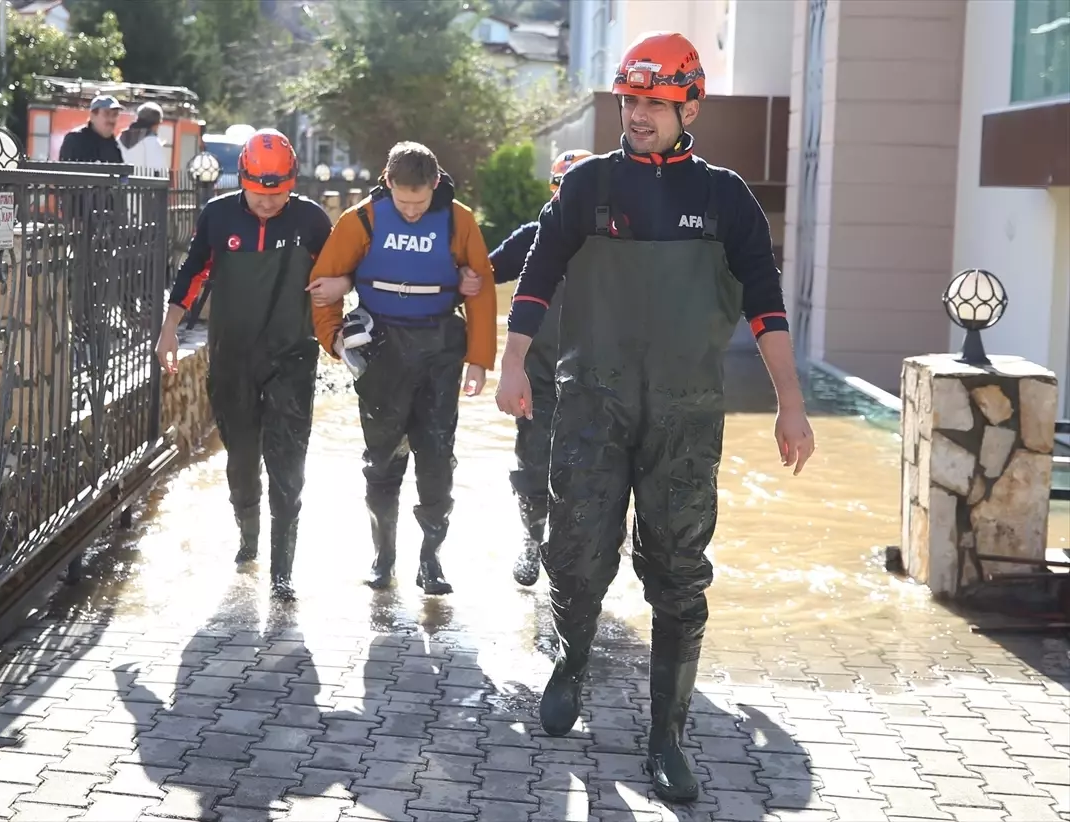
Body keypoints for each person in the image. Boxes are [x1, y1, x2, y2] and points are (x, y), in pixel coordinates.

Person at [494, 32, 816, 804]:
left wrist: (791, 403)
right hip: (591, 406)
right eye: (629, 101)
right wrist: (511, 361)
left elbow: (766, 305)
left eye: (654, 104)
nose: (637, 115)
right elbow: (537, 274)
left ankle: (666, 735)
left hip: (685, 414)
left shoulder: (725, 198)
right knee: (575, 554)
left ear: (688, 108)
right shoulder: (587, 187)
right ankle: (571, 658)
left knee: (678, 575)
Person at [307, 141, 496, 596]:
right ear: (387, 183)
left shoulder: (459, 220)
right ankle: (383, 556)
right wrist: (333, 340)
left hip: (440, 348)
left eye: (420, 201)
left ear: (435, 185)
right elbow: (322, 287)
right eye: (403, 201)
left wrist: (479, 360)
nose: (411, 212)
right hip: (382, 350)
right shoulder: (361, 220)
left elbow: (483, 288)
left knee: (436, 459)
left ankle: (431, 559)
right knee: (382, 461)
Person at [155, 129, 332, 601]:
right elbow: (192, 272)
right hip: (232, 357)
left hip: (291, 355)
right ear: (243, 181)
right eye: (260, 194)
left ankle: (282, 569)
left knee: (288, 462)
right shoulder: (218, 215)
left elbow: (341, 271)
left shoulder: (312, 221)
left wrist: (340, 293)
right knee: (241, 457)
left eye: (279, 195)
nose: (269, 204)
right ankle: (248, 536)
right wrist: (170, 328)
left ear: (292, 184)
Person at [462, 149, 593, 588]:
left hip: (598, 381)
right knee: (534, 466)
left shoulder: (616, 246)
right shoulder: (534, 237)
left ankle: (583, 557)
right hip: (537, 377)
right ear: (553, 192)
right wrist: (460, 277)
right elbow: (483, 271)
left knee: (593, 471)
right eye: (563, 191)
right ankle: (531, 542)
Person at [59, 95, 125, 164]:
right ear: (92, 116)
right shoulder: (75, 140)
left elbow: (121, 172)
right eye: (106, 113)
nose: (111, 119)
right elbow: (64, 171)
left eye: (115, 114)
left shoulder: (113, 145)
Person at [118, 102, 169, 174]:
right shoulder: (152, 142)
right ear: (156, 124)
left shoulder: (119, 139)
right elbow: (160, 173)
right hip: (143, 185)